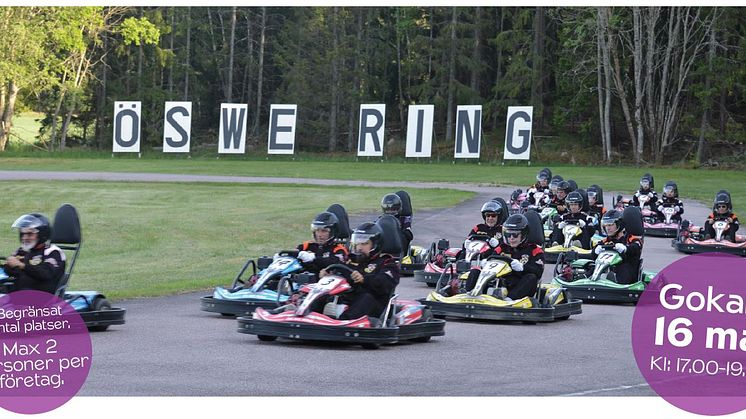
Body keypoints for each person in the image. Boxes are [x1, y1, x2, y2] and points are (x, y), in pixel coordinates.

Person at [319, 222, 399, 320]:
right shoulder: (349, 261)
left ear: (375, 244)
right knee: (324, 295)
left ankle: (343, 322)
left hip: (375, 306)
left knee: (366, 298)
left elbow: (384, 283)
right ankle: (306, 314)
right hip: (349, 299)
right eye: (357, 243)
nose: (359, 247)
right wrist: (328, 275)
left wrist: (364, 279)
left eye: (364, 243)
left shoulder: (386, 263)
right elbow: (340, 273)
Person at [465, 214, 544, 300]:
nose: (511, 238)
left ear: (524, 234)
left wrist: (522, 267)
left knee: (531, 277)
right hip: (500, 281)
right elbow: (491, 257)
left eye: (515, 235)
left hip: (518, 285)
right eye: (508, 235)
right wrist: (485, 261)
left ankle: (509, 299)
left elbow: (538, 270)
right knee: (475, 270)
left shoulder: (535, 250)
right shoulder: (502, 248)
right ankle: (469, 294)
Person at [1, 213, 66, 294]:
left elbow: (46, 274)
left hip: (43, 297)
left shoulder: (52, 252)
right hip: (20, 293)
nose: (25, 237)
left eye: (29, 234)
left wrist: (22, 265)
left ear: (42, 234)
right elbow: (12, 273)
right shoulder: (22, 251)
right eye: (23, 234)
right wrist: (9, 266)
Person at [593, 210, 642, 285]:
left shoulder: (631, 239)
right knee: (591, 265)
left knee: (623, 268)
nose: (607, 228)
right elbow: (593, 254)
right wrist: (595, 251)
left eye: (610, 225)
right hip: (605, 268)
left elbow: (636, 247)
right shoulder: (605, 241)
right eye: (606, 225)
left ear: (619, 224)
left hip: (627, 275)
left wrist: (626, 249)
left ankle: (614, 280)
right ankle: (587, 278)